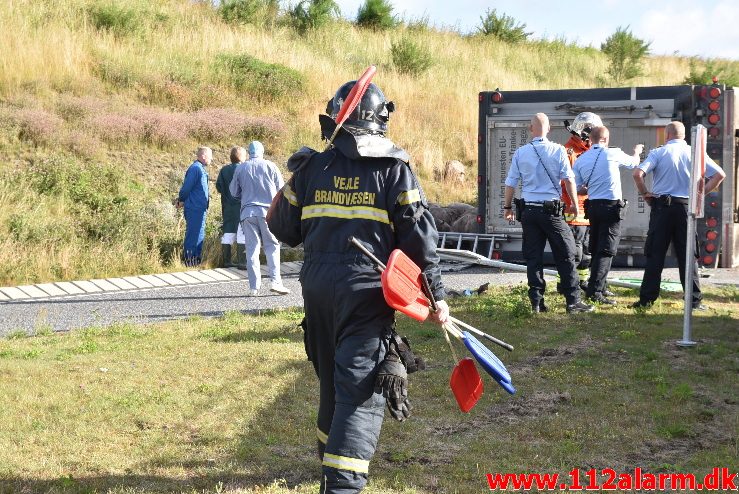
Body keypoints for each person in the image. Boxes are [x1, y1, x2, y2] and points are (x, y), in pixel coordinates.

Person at [267, 80, 449, 494]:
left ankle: (328, 467)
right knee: (360, 388)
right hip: (366, 291)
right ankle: (343, 486)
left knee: (332, 380)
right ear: (380, 120)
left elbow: (283, 229)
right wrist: (436, 296)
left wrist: (294, 178)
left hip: (316, 288)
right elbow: (419, 241)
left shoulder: (312, 167)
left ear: (336, 118)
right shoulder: (394, 170)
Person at [503, 113, 594, 314]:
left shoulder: (520, 152)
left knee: (533, 257)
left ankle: (536, 302)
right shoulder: (558, 150)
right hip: (551, 212)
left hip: (528, 212)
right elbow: (569, 180)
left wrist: (508, 208)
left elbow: (510, 183)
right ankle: (572, 301)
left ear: (530, 129)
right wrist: (574, 206)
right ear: (550, 129)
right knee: (567, 253)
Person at [631, 121, 726, 310]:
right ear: (684, 136)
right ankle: (694, 301)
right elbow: (720, 175)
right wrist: (699, 195)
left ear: (667, 135)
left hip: (661, 208)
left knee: (655, 254)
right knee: (688, 255)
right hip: (685, 208)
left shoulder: (658, 153)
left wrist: (645, 194)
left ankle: (646, 300)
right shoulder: (695, 153)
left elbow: (637, 174)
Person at [573, 126, 643, 305]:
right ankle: (595, 292)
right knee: (607, 250)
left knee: (596, 247)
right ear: (604, 139)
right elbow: (634, 163)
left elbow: (578, 188)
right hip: (611, 207)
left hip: (593, 207)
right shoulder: (613, 153)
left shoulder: (581, 159)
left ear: (591, 139)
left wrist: (590, 187)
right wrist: (637, 151)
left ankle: (600, 286)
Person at [229, 140, 290, 296]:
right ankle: (276, 282)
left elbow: (233, 192)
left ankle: (254, 287)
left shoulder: (241, 168)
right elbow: (281, 191)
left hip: (248, 214)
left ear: (249, 153)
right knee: (272, 247)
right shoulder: (271, 166)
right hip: (268, 214)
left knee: (252, 250)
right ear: (262, 152)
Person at [562, 112, 602, 275]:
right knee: (574, 251)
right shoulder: (568, 152)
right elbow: (564, 183)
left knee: (587, 252)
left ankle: (582, 282)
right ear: (586, 132)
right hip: (574, 210)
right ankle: (565, 284)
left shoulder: (590, 151)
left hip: (589, 209)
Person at [177, 146, 211, 267]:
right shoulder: (195, 169)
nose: (211, 159)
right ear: (203, 156)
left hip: (199, 208)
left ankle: (195, 260)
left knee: (199, 234)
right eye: (209, 156)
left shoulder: (200, 169)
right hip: (194, 208)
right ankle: (189, 261)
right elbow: (186, 188)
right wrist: (181, 199)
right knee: (193, 234)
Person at [215, 146, 247, 269]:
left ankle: (226, 261)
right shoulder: (244, 169)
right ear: (242, 157)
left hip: (227, 207)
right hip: (242, 207)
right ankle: (242, 263)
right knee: (242, 233)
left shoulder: (224, 170)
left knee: (228, 233)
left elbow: (219, 187)